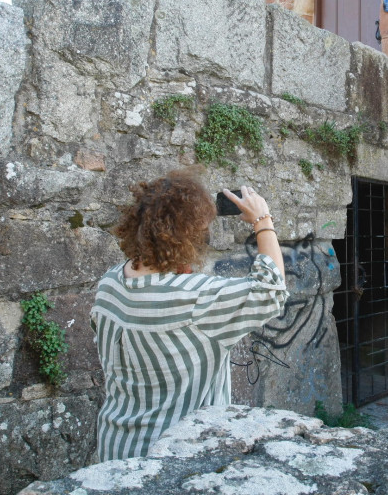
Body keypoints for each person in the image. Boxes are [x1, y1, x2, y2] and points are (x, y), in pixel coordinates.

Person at [90, 169, 287, 462]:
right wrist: (263, 220)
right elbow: (272, 290)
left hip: (115, 448)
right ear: (192, 236)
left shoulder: (108, 285)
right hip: (175, 456)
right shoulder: (195, 298)